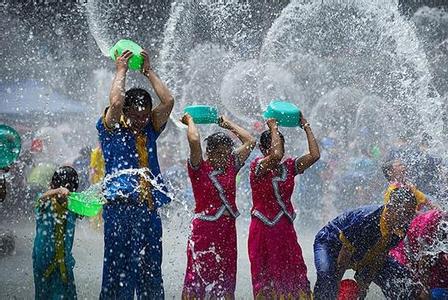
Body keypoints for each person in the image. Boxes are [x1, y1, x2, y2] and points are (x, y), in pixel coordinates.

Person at [97, 48, 174, 298]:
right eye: (135, 115)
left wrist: (148, 72)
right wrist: (121, 71)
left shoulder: (150, 130)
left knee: (151, 269)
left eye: (145, 115)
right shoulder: (110, 129)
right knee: (118, 270)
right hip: (119, 209)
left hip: (148, 209)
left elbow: (168, 102)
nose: (141, 120)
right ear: (125, 113)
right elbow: (117, 102)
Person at [181, 114, 256, 299]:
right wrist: (190, 121)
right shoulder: (198, 167)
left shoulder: (232, 165)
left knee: (226, 276)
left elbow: (250, 141)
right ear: (209, 153)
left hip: (227, 232)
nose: (222, 157)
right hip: (203, 232)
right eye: (217, 153)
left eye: (225, 153)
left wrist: (227, 123)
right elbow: (194, 139)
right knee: (197, 275)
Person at [248, 114, 320, 298]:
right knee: (267, 275)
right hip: (263, 230)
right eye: (275, 142)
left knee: (293, 271)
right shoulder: (258, 166)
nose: (280, 147)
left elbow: (315, 155)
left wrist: (306, 126)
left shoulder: (289, 167)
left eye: (281, 142)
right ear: (263, 148)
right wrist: (273, 128)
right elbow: (276, 155)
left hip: (285, 230)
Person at [313, 188, 419, 299]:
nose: (407, 219)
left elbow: (380, 256)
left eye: (410, 214)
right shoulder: (369, 219)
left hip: (363, 250)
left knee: (400, 278)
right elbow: (345, 252)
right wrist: (336, 286)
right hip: (330, 243)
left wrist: (364, 286)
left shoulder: (401, 228)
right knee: (327, 278)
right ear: (391, 208)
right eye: (404, 213)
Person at [389, 197, 448, 298]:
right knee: (415, 292)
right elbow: (424, 257)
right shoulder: (434, 221)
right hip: (404, 257)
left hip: (428, 260)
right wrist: (425, 289)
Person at [32, 166, 79, 299]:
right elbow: (40, 198)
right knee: (44, 294)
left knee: (66, 293)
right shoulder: (45, 204)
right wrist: (56, 191)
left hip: (63, 260)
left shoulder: (73, 206)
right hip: (44, 260)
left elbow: (88, 205)